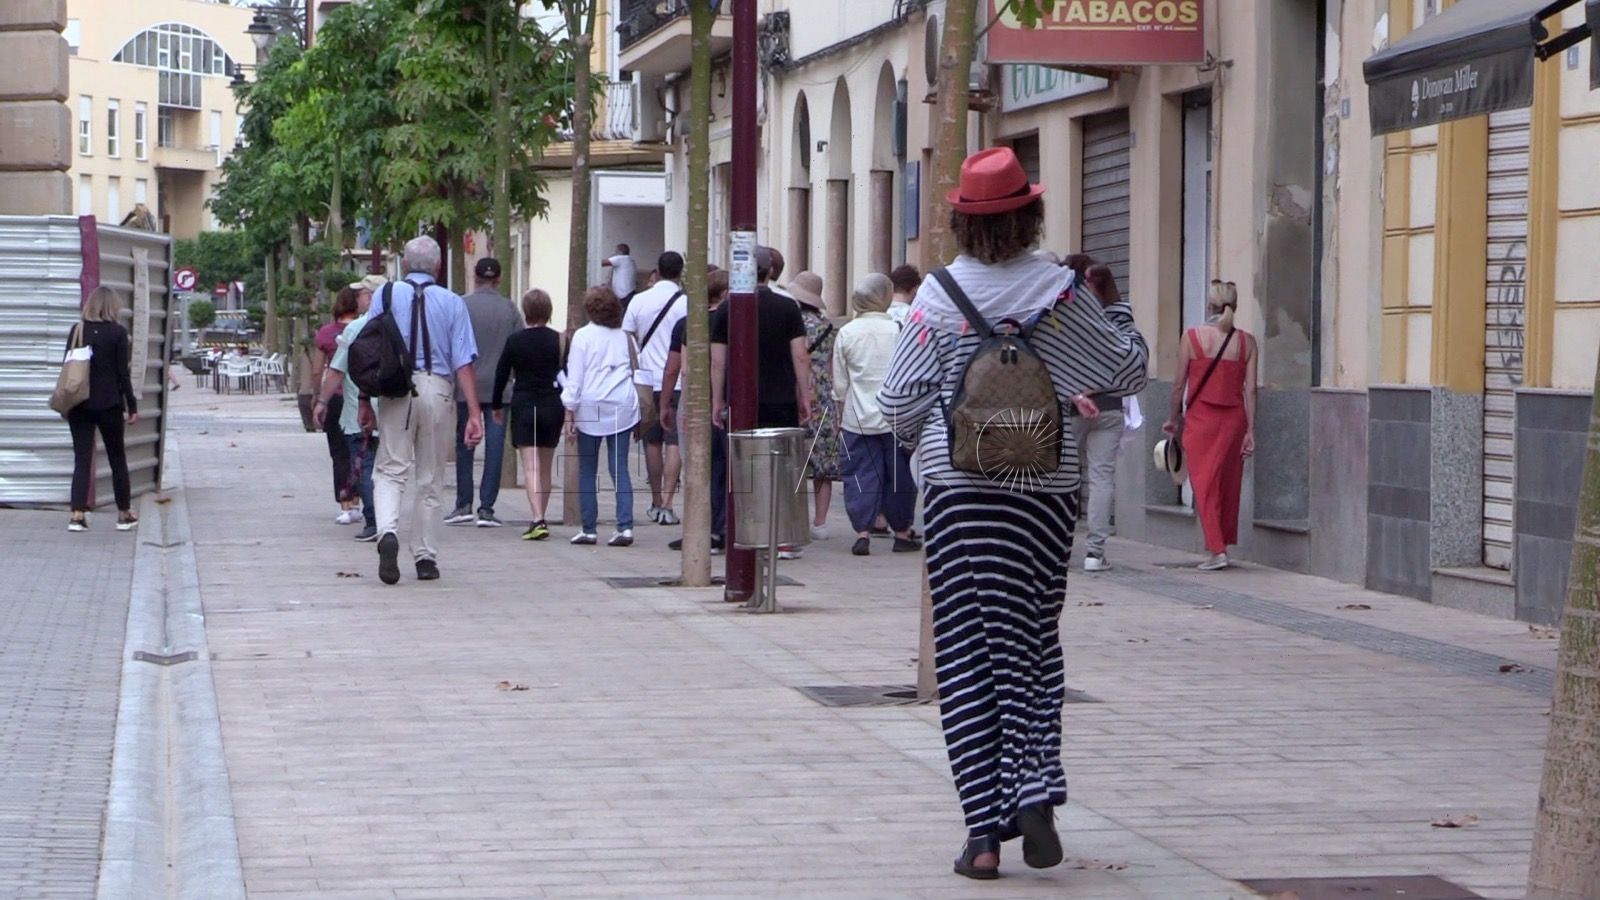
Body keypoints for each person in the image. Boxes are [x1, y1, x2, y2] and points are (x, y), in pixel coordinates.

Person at [878, 147, 1147, 880]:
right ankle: (1034, 786)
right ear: (1031, 215)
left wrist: (929, 442)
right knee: (1030, 640)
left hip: (960, 492)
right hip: (1044, 490)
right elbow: (1125, 371)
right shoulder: (1063, 291)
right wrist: (1115, 310)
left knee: (967, 655)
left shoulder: (936, 296)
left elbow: (898, 399)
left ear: (962, 224)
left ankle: (983, 836)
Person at [358, 236, 482, 585]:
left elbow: (368, 349)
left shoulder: (384, 296)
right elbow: (463, 362)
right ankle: (425, 557)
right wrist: (474, 412)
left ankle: (387, 532)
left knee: (390, 468)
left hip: (396, 389)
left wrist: (364, 400)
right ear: (439, 266)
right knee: (430, 477)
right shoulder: (453, 302)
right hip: (438, 390)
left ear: (407, 265)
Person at [710, 247, 813, 559]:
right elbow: (800, 355)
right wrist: (805, 395)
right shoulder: (787, 307)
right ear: (770, 272)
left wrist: (718, 399)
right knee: (783, 469)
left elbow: (718, 361)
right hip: (781, 398)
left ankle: (746, 532)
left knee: (743, 470)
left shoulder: (728, 309)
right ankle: (781, 538)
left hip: (741, 399)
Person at [1162, 279, 1255, 571]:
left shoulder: (1191, 337)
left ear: (1209, 305)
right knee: (1227, 483)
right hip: (1234, 419)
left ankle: (1217, 550)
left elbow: (1178, 385)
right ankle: (1221, 543)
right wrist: (1251, 430)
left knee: (1203, 482)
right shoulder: (1247, 342)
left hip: (1201, 418)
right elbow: (1251, 390)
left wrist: (1172, 419)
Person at [832, 273, 920, 556]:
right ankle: (903, 532)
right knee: (899, 475)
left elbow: (840, 383)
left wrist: (838, 413)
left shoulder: (847, 332)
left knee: (860, 474)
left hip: (857, 417)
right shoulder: (899, 329)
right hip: (895, 415)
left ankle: (863, 531)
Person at [563, 286, 642, 547]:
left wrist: (569, 413)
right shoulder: (626, 337)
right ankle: (625, 526)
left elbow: (575, 379)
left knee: (587, 468)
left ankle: (589, 528)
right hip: (621, 404)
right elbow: (637, 368)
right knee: (619, 466)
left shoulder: (582, 337)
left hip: (591, 405)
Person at [445, 257, 521, 528]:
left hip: (469, 388)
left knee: (465, 444)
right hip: (501, 391)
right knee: (495, 447)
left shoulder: (461, 305)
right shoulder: (510, 309)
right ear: (499, 279)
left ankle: (462, 504)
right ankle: (486, 508)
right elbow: (517, 347)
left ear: (474, 277)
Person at [1071, 262, 1134, 572]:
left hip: (1072, 403)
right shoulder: (1122, 313)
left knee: (1063, 476)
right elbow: (1127, 358)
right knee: (1101, 478)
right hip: (1109, 404)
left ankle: (1058, 545)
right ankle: (1095, 553)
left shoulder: (1070, 312)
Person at [316, 275, 387, 542]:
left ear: (370, 297)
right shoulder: (398, 326)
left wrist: (322, 401)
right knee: (389, 467)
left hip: (359, 410)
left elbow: (337, 370)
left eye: (360, 295)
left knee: (366, 464)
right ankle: (387, 519)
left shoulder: (355, 329)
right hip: (394, 409)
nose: (357, 299)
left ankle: (374, 521)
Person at [662, 269, 729, 554]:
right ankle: (723, 527)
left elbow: (683, 369)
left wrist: (676, 404)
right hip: (727, 401)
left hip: (699, 401)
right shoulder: (734, 322)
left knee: (700, 467)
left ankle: (702, 527)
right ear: (725, 295)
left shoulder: (690, 324)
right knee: (726, 469)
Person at [64, 286, 139, 532]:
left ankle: (77, 515)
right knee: (117, 458)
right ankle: (124, 513)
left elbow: (67, 366)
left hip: (79, 404)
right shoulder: (118, 333)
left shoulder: (77, 330)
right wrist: (131, 405)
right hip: (109, 403)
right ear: (112, 307)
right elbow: (122, 373)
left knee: (82, 458)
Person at [492, 289, 564, 541]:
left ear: (526, 311)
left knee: (530, 467)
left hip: (524, 404)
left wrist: (497, 404)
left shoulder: (515, 341)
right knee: (545, 467)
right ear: (548, 311)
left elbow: (502, 373)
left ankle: (537, 518)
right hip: (552, 405)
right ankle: (541, 515)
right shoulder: (560, 340)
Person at [622, 251, 688, 526]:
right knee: (675, 442)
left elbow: (627, 336)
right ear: (681, 272)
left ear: (656, 271)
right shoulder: (686, 303)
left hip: (648, 379)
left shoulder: (639, 300)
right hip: (680, 380)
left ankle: (656, 499)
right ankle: (669, 503)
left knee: (652, 441)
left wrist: (637, 366)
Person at [787, 271, 841, 541]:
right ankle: (820, 522)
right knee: (823, 465)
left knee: (794, 459)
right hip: (822, 394)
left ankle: (795, 517)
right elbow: (830, 364)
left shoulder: (793, 323)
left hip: (797, 389)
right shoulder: (829, 327)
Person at [315, 288, 362, 525]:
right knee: (361, 450)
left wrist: (318, 397)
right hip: (362, 396)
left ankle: (346, 504)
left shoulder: (326, 334)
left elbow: (318, 369)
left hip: (335, 397)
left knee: (339, 453)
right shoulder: (366, 328)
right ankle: (362, 499)